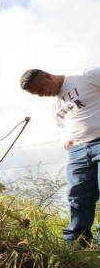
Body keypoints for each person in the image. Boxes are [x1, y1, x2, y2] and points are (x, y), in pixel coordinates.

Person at [21, 67, 100, 246]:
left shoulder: (86, 76)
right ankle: (76, 244)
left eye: (41, 89)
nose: (42, 95)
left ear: (47, 76)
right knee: (77, 196)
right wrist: (65, 141)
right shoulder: (56, 105)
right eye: (37, 94)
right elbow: (63, 127)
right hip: (78, 151)